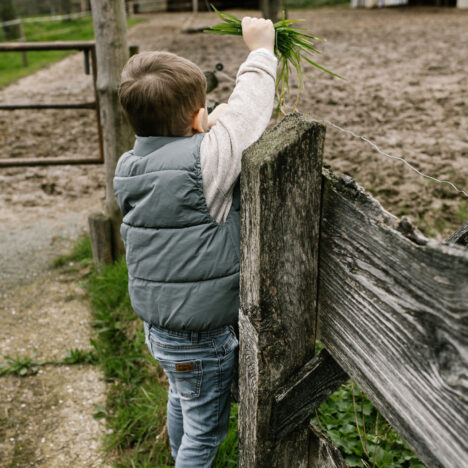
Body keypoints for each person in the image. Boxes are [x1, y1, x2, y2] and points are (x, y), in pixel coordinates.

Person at [113, 16, 277, 467]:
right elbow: (247, 113)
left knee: (185, 398)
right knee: (206, 432)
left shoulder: (129, 166)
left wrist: (208, 121)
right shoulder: (206, 164)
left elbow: (195, 142)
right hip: (201, 335)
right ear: (195, 117)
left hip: (158, 327)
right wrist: (261, 50)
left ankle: (173, 454)